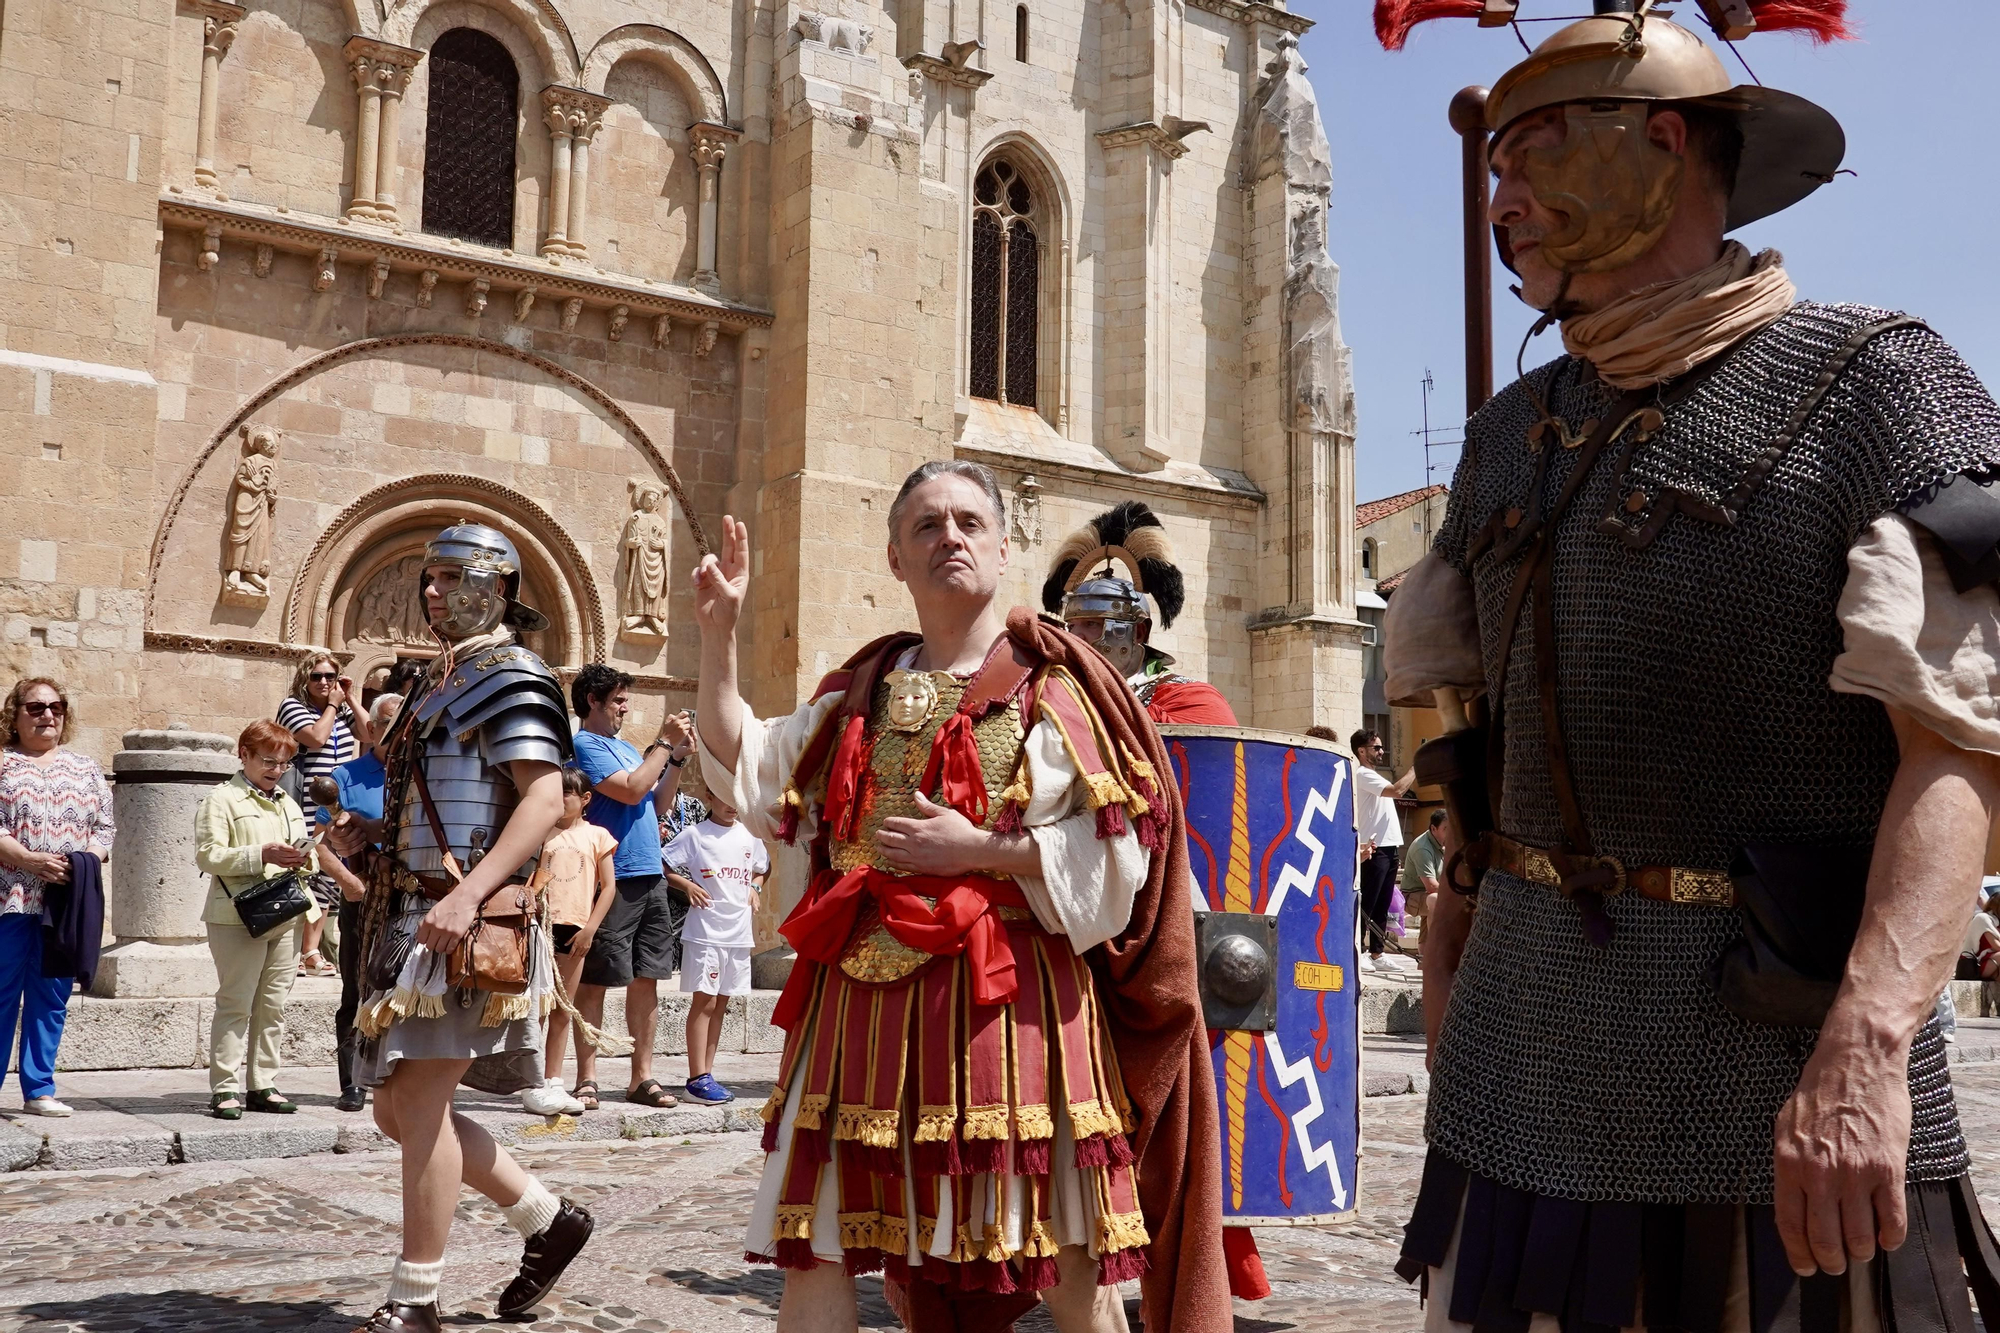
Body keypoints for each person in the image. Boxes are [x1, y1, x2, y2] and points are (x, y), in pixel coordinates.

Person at [1380, 3, 2000, 1323]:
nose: (1500, 191)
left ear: (1658, 140)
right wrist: (1455, 938)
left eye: (1529, 150)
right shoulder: (1511, 434)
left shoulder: (1876, 384)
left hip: (1782, 1067)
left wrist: (1871, 1047)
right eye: (1492, 163)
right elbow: (1465, 732)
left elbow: (1959, 750)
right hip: (1526, 1053)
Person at [692, 459, 1228, 1333]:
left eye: (970, 522)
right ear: (896, 558)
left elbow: (1117, 856)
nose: (951, 537)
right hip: (859, 1007)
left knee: (1072, 1253)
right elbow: (752, 765)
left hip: (1016, 1005)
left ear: (1003, 547)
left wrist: (982, 849)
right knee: (818, 1241)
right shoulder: (859, 689)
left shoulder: (1057, 685)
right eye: (928, 525)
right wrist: (720, 635)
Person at [341, 523, 588, 1333]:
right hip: (407, 909)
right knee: (397, 1110)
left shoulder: (511, 670)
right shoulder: (437, 679)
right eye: (428, 576)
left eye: (452, 575)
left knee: (415, 1104)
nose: (433, 590)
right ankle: (545, 1217)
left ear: (501, 587)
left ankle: (416, 1298)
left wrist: (468, 895)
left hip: (458, 916)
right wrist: (373, 838)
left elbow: (544, 800)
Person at [569, 665, 689, 1112]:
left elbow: (660, 802)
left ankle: (643, 1077)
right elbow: (632, 789)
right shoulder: (585, 745)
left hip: (649, 875)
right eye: (618, 699)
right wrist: (661, 742)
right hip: (611, 878)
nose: (625, 706)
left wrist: (675, 759)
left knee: (647, 980)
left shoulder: (622, 747)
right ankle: (587, 1078)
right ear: (593, 702)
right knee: (596, 981)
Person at [196, 719, 321, 1120]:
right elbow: (208, 856)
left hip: (286, 911)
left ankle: (263, 1083)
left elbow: (308, 857)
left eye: (284, 763)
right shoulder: (221, 799)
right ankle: (225, 1087)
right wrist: (261, 854)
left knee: (273, 1005)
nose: (276, 769)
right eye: (268, 760)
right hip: (238, 915)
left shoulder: (287, 801)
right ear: (244, 754)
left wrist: (305, 855)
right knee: (236, 1002)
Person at [0, 678, 113, 1118]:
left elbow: (105, 827)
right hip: (10, 898)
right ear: (15, 715)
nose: (48, 714)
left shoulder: (84, 768)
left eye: (57, 706)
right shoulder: (3, 765)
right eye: (36, 707)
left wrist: (86, 859)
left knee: (50, 997)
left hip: (66, 901)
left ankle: (39, 1089)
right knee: (2, 993)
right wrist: (28, 860)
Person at [1042, 500, 1237, 725]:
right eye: (1072, 626)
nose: (1076, 638)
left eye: (1092, 624)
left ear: (1139, 632)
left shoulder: (1189, 698)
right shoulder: (1053, 690)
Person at [316, 692, 404, 1114]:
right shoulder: (346, 776)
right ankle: (352, 1081)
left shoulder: (421, 775)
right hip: (363, 895)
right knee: (356, 986)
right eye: (385, 723)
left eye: (401, 722)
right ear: (371, 728)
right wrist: (349, 883)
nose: (393, 731)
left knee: (409, 987)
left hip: (410, 894)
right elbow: (323, 840)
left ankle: (399, 1076)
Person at [522, 768, 617, 1117]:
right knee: (538, 1006)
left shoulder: (597, 836)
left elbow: (608, 887)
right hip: (540, 927)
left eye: (568, 793)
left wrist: (591, 928)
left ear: (584, 799)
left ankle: (554, 1079)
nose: (562, 800)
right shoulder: (541, 834)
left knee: (565, 1006)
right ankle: (532, 1080)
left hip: (574, 927)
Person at [662, 795, 766, 1105]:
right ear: (709, 797)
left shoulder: (750, 834)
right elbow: (662, 863)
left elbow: (762, 867)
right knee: (704, 1001)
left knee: (721, 1003)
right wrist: (687, 885)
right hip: (706, 931)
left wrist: (755, 888)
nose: (732, 804)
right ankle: (695, 1078)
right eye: (723, 797)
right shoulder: (696, 835)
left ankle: (707, 1075)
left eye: (736, 797)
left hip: (738, 933)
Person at [278, 650, 369, 978]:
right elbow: (315, 739)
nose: (324, 682)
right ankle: (297, 951)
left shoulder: (340, 711)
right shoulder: (293, 707)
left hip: (336, 808)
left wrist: (351, 698)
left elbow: (370, 734)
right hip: (302, 805)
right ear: (305, 677)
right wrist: (332, 705)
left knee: (328, 880)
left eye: (330, 676)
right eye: (317, 676)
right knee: (304, 874)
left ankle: (311, 951)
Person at [1327, 727, 1413, 971]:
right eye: (1376, 747)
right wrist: (1416, 769)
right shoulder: (1363, 774)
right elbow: (1398, 791)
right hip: (1373, 849)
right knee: (1369, 903)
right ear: (1361, 751)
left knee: (1382, 904)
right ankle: (1360, 951)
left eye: (1381, 746)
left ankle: (1377, 952)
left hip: (1389, 846)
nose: (1381, 751)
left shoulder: (1374, 775)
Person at [1399, 808, 1448, 931]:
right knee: (1435, 899)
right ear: (1433, 829)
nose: (1451, 833)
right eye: (1446, 829)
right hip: (1412, 897)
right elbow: (1431, 886)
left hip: (1427, 893)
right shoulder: (1423, 849)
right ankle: (1436, 945)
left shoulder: (1443, 843)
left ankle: (1425, 948)